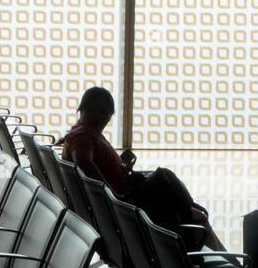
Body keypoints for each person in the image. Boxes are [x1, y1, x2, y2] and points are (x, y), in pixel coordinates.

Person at [60, 86, 214, 247]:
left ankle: (189, 210)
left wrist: (120, 164)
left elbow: (93, 167)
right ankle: (190, 214)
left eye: (104, 112)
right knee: (164, 176)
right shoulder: (82, 137)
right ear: (82, 109)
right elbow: (84, 166)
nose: (98, 117)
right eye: (92, 110)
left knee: (165, 178)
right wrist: (113, 197)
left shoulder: (82, 132)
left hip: (123, 196)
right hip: (125, 202)